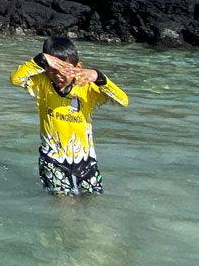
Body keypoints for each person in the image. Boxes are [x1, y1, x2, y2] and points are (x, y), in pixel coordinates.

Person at [10, 36, 128, 196]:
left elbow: (123, 100)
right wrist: (40, 59)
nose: (59, 76)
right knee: (63, 202)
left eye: (65, 71)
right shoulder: (41, 84)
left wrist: (99, 77)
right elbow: (15, 79)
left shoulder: (87, 88)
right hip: (52, 159)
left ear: (78, 67)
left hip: (86, 160)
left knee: (92, 200)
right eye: (53, 70)